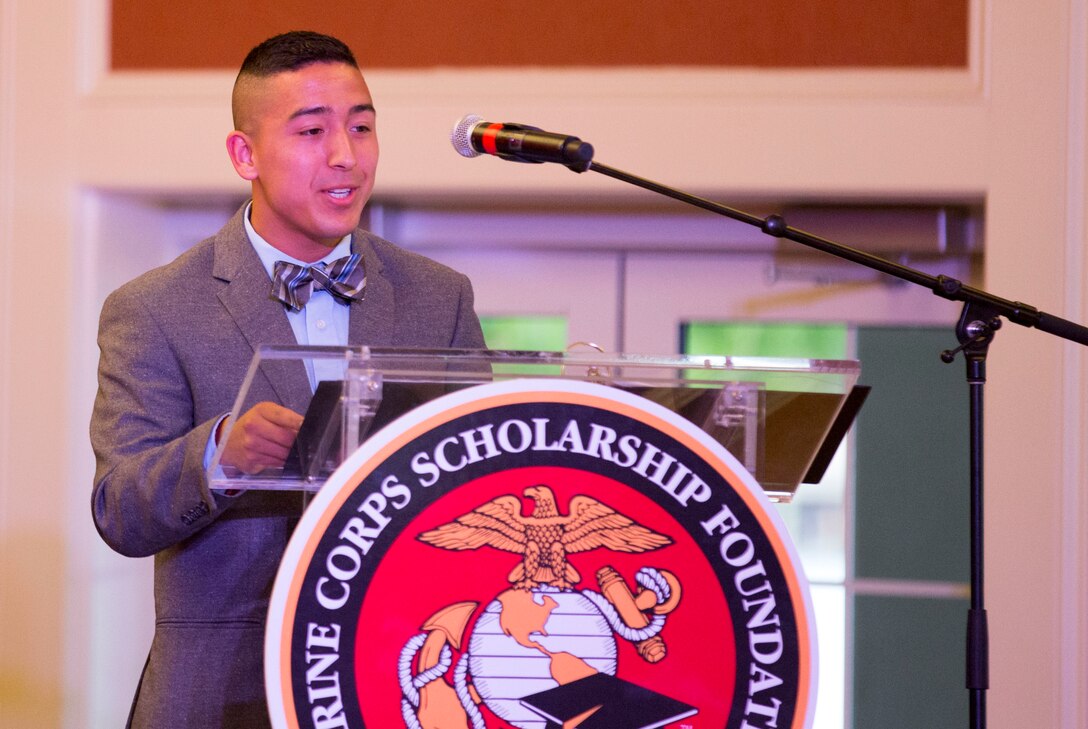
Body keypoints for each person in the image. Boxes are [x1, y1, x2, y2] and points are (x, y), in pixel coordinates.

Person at [89, 31, 485, 727]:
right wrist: (221, 455)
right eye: (312, 130)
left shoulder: (439, 297)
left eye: (362, 127)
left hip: (391, 684)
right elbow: (120, 508)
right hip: (220, 697)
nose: (346, 155)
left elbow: (479, 481)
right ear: (245, 154)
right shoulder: (152, 307)